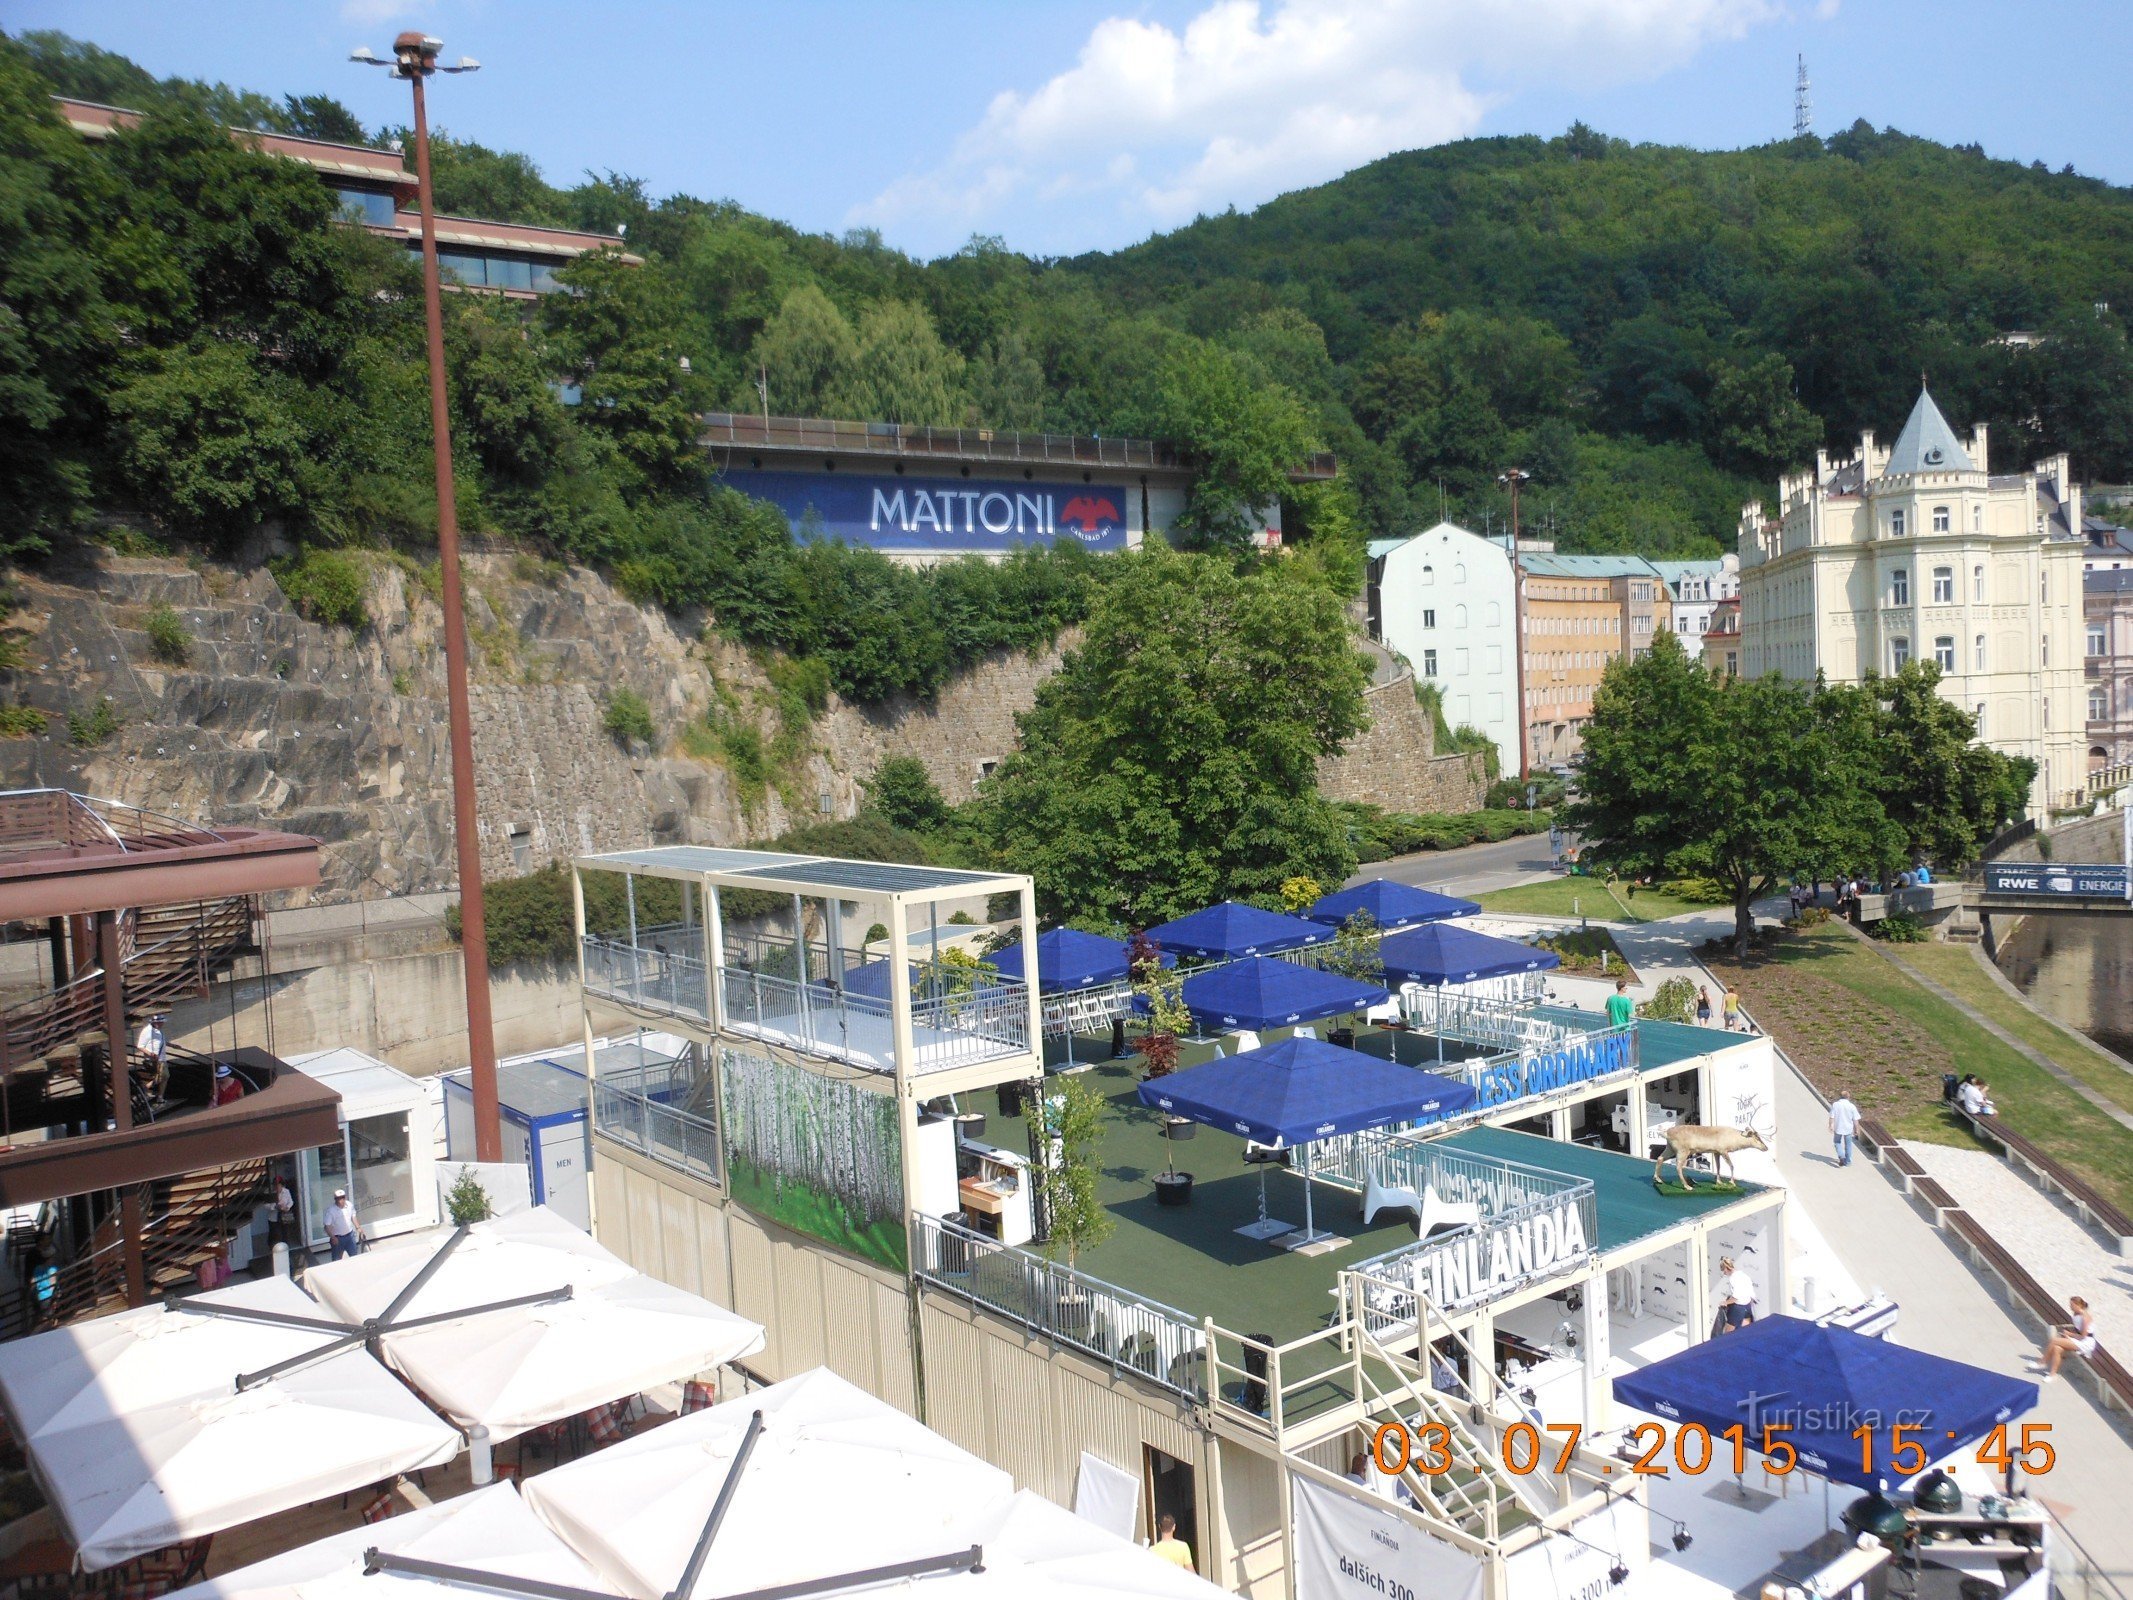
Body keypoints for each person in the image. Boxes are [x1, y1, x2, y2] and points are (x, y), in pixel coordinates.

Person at [2039, 1297, 2096, 1382]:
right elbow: (2078, 1330)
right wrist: (2069, 1336)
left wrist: (2069, 1334)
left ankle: (2042, 1362)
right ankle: (2052, 1375)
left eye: (2072, 1305)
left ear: (2078, 1305)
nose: (2070, 1307)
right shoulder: (2076, 1314)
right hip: (2079, 1339)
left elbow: (2084, 1336)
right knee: (2057, 1348)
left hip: (2086, 1342)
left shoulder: (2085, 1317)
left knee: (2054, 1340)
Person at [1718, 1256, 1757, 1333]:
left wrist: (1725, 1302)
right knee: (1745, 1332)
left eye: (1723, 1270)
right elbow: (1751, 1294)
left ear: (1726, 1268)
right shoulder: (1744, 1275)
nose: (1724, 1273)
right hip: (1747, 1306)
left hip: (1738, 1308)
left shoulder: (1733, 1278)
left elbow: (1736, 1297)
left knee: (1728, 1334)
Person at [324, 1188, 363, 1258]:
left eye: (342, 1198)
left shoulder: (349, 1205)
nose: (340, 1200)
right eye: (338, 1198)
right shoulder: (331, 1211)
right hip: (338, 1238)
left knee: (355, 1257)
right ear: (335, 1199)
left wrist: (358, 1227)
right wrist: (333, 1237)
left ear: (345, 1197)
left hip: (350, 1236)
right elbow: (327, 1226)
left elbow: (353, 1216)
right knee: (337, 1260)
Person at [1828, 1092, 1861, 1167]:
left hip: (1838, 1127)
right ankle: (1848, 1161)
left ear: (1840, 1097)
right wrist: (1857, 1129)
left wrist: (1831, 1125)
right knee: (1848, 1145)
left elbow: (1832, 1116)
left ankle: (1841, 1156)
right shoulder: (1851, 1106)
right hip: (1848, 1129)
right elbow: (1855, 1120)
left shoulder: (1836, 1104)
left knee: (1837, 1142)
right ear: (1848, 1097)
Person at [272, 1171, 297, 1250]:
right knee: (275, 1233)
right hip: (274, 1216)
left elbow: (291, 1201)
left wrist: (287, 1207)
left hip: (285, 1214)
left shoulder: (286, 1191)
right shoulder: (271, 1192)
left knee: (285, 1232)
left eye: (279, 1185)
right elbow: (266, 1205)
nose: (277, 1187)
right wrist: (275, 1206)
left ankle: (286, 1247)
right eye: (275, 1185)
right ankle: (275, 1248)